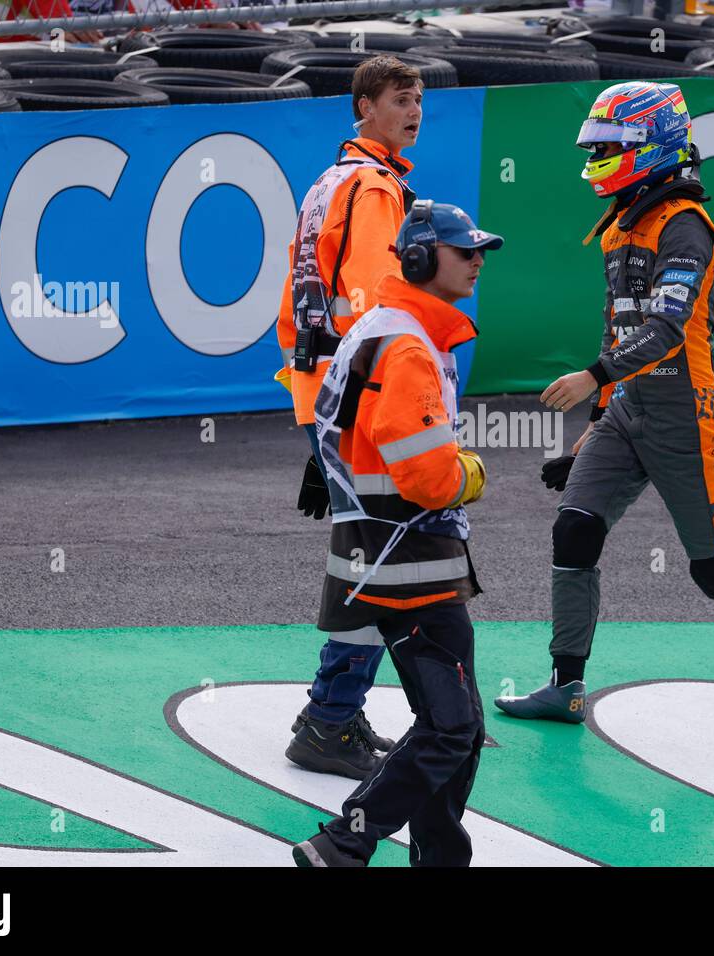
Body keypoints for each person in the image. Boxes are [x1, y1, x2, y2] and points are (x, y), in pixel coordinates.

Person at [493, 81, 714, 754]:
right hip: (628, 409)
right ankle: (566, 687)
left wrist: (594, 377)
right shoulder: (624, 222)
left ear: (651, 147)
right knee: (574, 531)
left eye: (610, 148)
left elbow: (666, 332)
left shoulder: (685, 226)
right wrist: (592, 428)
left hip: (687, 415)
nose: (597, 161)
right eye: (595, 149)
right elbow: (616, 329)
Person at [292, 201, 502, 868]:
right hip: (408, 565)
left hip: (389, 560)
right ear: (418, 259)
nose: (477, 259)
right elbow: (427, 478)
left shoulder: (386, 330)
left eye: (479, 250)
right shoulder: (408, 345)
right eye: (462, 249)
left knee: (458, 730)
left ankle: (437, 856)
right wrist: (470, 473)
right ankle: (345, 841)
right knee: (452, 728)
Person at [274, 55, 424, 780]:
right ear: (364, 107)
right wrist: (371, 406)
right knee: (381, 557)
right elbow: (374, 307)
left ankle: (335, 712)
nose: (415, 109)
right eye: (400, 98)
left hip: (321, 386)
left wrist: (319, 427)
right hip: (353, 392)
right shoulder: (372, 187)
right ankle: (330, 718)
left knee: (366, 551)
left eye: (419, 98)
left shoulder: (332, 178)